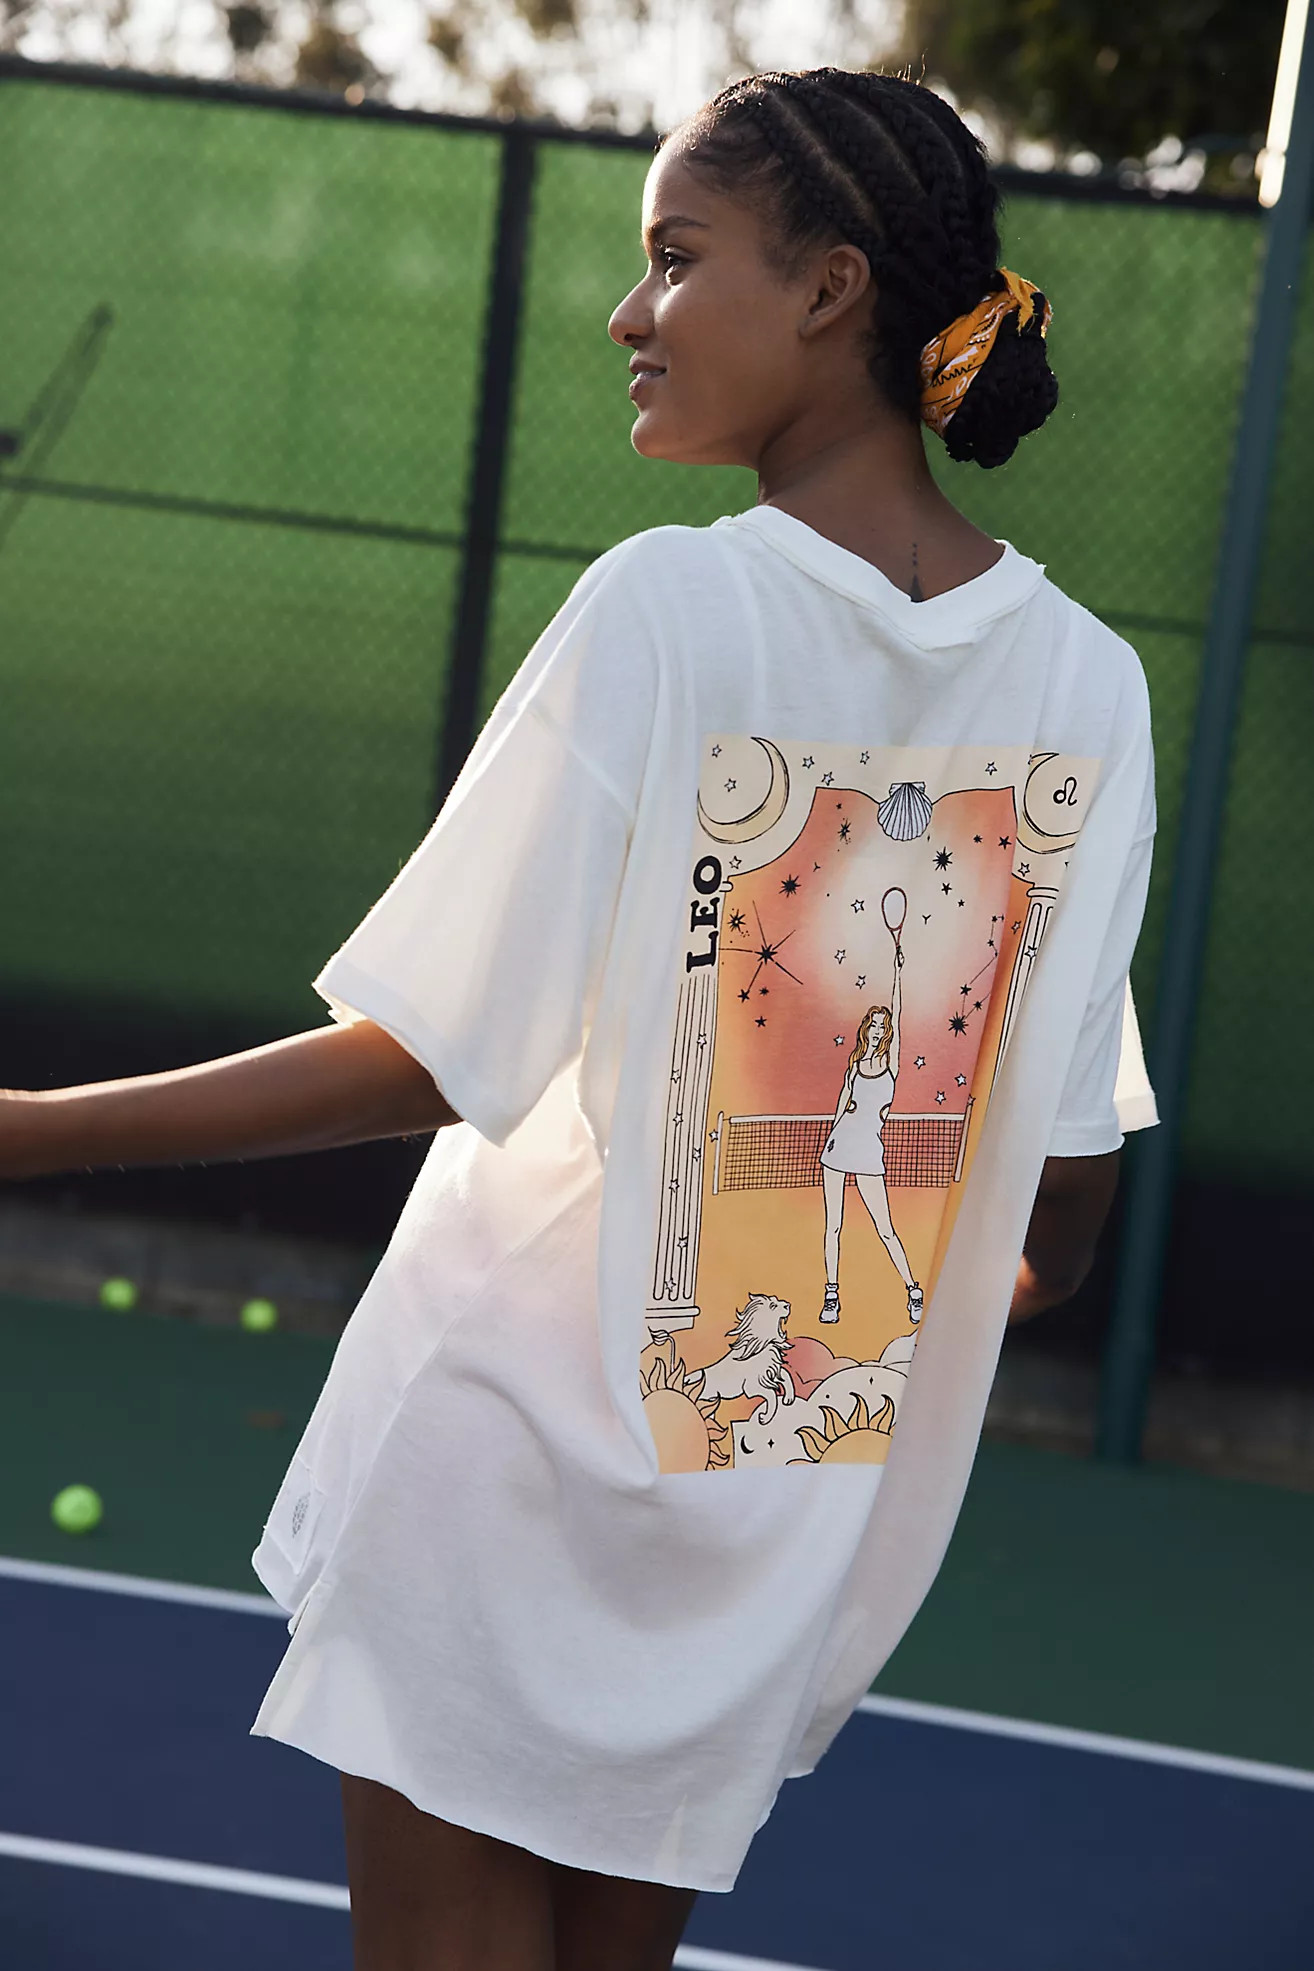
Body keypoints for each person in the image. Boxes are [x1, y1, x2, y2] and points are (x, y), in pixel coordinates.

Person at [0, 67, 1156, 1971]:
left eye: (674, 257)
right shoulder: (1088, 687)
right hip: (776, 1490)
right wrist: (935, 1297)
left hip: (511, 1456)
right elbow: (1066, 1181)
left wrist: (34, 1130)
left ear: (827, 288)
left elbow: (431, 1052)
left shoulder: (665, 610)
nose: (628, 313)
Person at [818, 941, 924, 1327]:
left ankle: (913, 1290)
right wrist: (830, 1137)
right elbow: (842, 1101)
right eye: (873, 1025)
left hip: (867, 1150)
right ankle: (832, 1295)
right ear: (866, 1028)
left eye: (883, 1026)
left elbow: (900, 1011)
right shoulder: (855, 1063)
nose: (878, 1030)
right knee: (833, 1225)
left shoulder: (890, 1062)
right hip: (838, 1147)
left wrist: (897, 973)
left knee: (885, 1228)